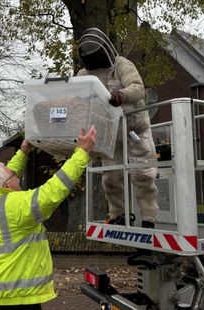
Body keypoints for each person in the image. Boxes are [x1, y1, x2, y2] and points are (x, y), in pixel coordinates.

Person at [0, 126, 97, 309]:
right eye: (14, 177)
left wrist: (23, 152)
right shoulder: (14, 206)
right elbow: (52, 191)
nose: (18, 179)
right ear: (6, 186)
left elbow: (5, 178)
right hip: (15, 298)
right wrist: (81, 153)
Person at [76, 27, 158, 229]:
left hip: (134, 130)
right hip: (110, 132)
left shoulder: (122, 64)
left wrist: (121, 95)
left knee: (143, 174)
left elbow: (138, 88)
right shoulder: (83, 74)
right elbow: (78, 97)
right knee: (111, 178)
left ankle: (148, 218)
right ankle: (117, 214)